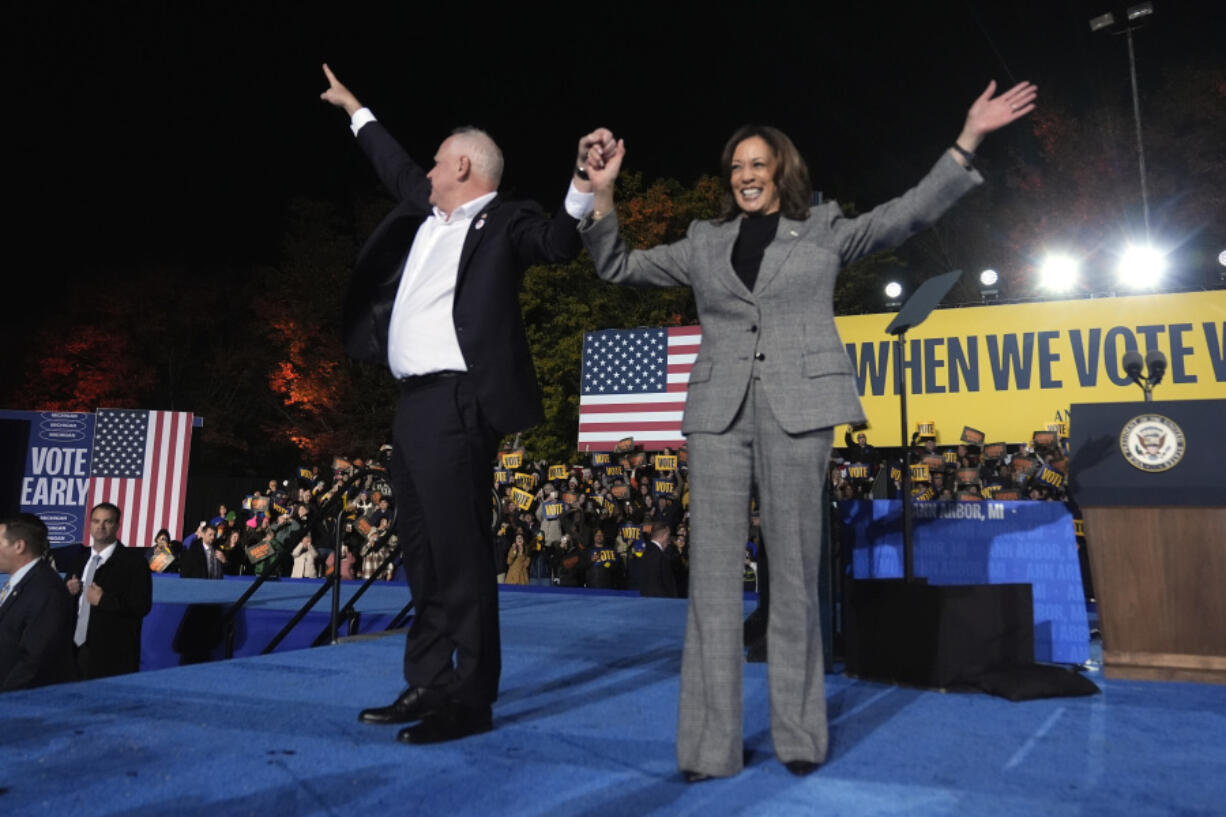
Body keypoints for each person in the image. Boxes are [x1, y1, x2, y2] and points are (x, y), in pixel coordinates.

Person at [579, 80, 1037, 780]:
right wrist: (602, 193)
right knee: (711, 582)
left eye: (757, 164)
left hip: (801, 407)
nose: (745, 175)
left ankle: (798, 735)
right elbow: (616, 266)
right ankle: (709, 746)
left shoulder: (824, 227)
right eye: (735, 167)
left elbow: (906, 216)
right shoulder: (704, 241)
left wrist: (966, 138)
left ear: (781, 170)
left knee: (794, 575)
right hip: (717, 415)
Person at [320, 64, 612, 745]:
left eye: (434, 160)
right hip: (412, 404)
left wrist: (579, 184)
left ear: (460, 165)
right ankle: (429, 679)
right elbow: (391, 161)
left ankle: (471, 696)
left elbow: (559, 243)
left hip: (458, 401)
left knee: (461, 554)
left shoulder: (507, 221)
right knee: (421, 551)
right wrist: (355, 107)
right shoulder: (425, 210)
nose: (422, 170)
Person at [64, 502, 153, 679]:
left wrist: (104, 600)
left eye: (107, 521)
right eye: (96, 521)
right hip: (74, 651)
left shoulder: (134, 563)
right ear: (89, 524)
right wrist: (67, 592)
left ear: (117, 526)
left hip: (112, 655)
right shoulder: (79, 560)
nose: (100, 526)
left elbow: (141, 606)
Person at [0, 514, 76, 690]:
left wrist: (6, 695)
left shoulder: (47, 589)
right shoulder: (20, 582)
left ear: (19, 546)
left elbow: (36, 658)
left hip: (22, 701)